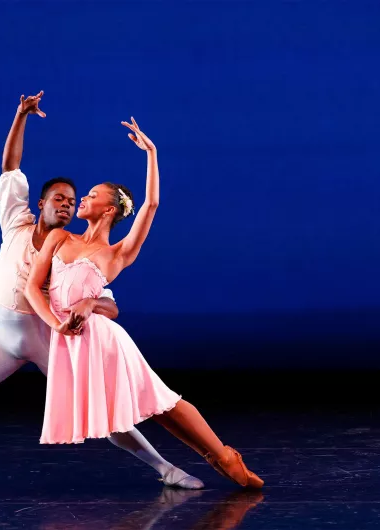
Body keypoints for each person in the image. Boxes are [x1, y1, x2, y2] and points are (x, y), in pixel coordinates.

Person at [0, 92, 203, 495]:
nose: (68, 206)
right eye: (60, 199)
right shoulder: (16, 224)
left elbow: (98, 289)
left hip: (52, 339)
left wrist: (91, 307)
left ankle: (167, 469)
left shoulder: (68, 243)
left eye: (74, 203)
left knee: (106, 416)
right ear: (41, 203)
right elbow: (10, 167)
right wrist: (21, 115)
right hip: (6, 338)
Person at [26, 117, 264, 489]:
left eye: (91, 195)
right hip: (70, 341)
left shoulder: (117, 253)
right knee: (149, 409)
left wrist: (151, 154)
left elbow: (151, 204)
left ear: (109, 210)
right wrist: (56, 324)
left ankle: (223, 457)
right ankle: (215, 457)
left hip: (104, 342)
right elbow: (32, 289)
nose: (82, 199)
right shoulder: (59, 238)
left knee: (161, 403)